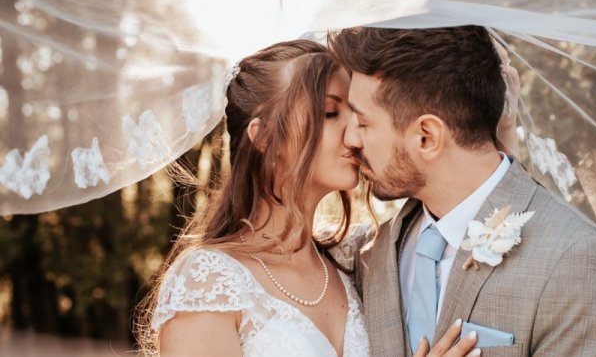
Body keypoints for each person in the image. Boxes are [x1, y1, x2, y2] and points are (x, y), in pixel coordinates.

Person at [134, 40, 496, 357]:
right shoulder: (208, 282)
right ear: (265, 138)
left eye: (356, 116)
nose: (355, 136)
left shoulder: (359, 260)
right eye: (330, 113)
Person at [328, 26, 596, 356]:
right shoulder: (368, 255)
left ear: (426, 137)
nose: (351, 139)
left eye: (363, 123)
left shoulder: (579, 262)